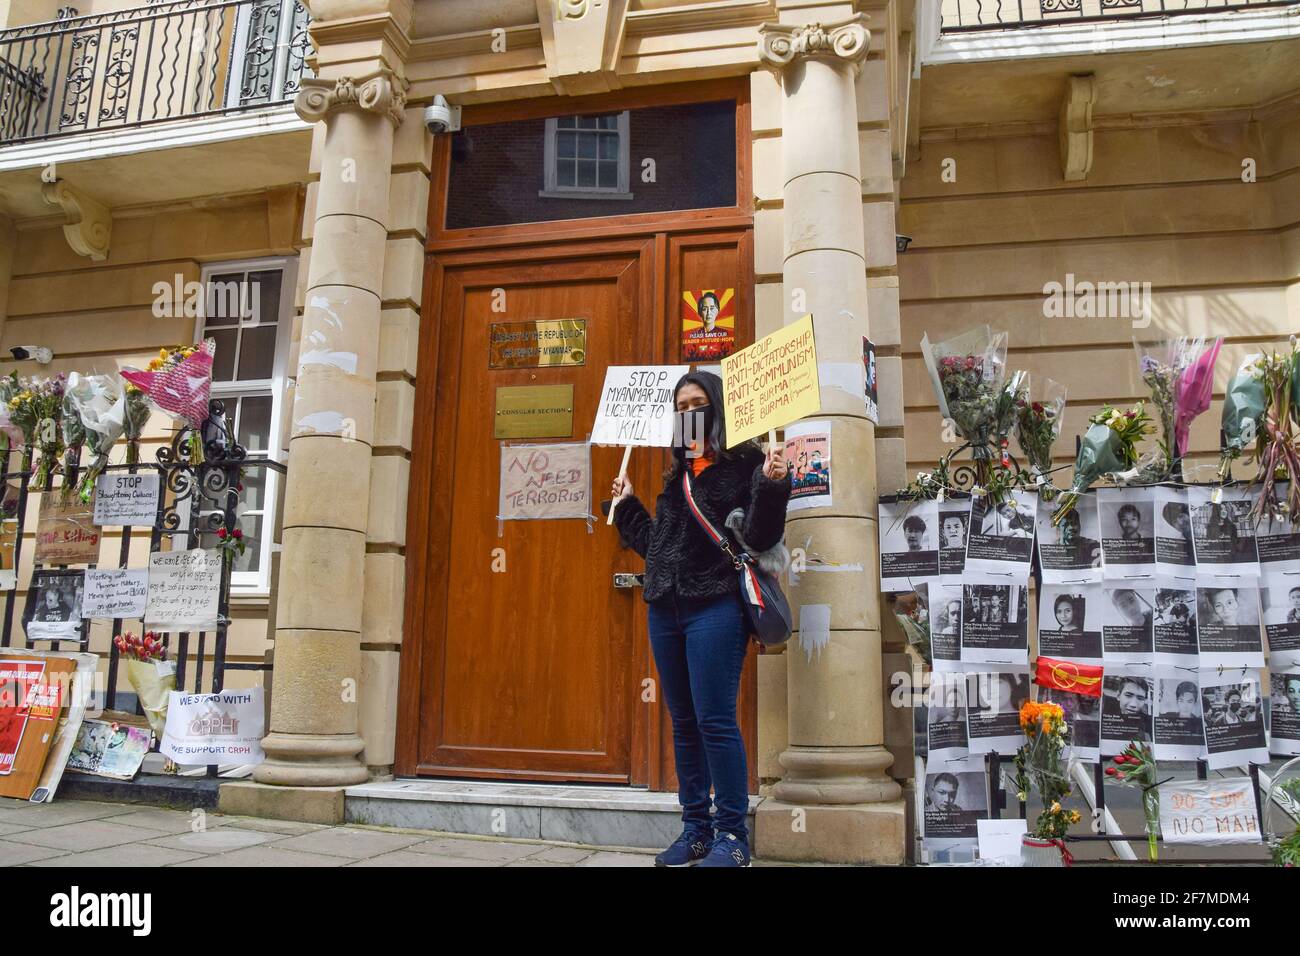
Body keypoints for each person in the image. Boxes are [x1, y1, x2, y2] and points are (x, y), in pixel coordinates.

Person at [610, 370, 789, 868]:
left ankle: (733, 836)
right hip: (665, 608)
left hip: (715, 607)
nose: (688, 412)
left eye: (698, 403)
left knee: (714, 721)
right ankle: (695, 829)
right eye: (680, 405)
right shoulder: (678, 476)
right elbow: (657, 551)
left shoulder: (746, 465)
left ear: (716, 410)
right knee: (684, 723)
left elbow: (758, 536)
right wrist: (628, 508)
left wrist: (773, 485)